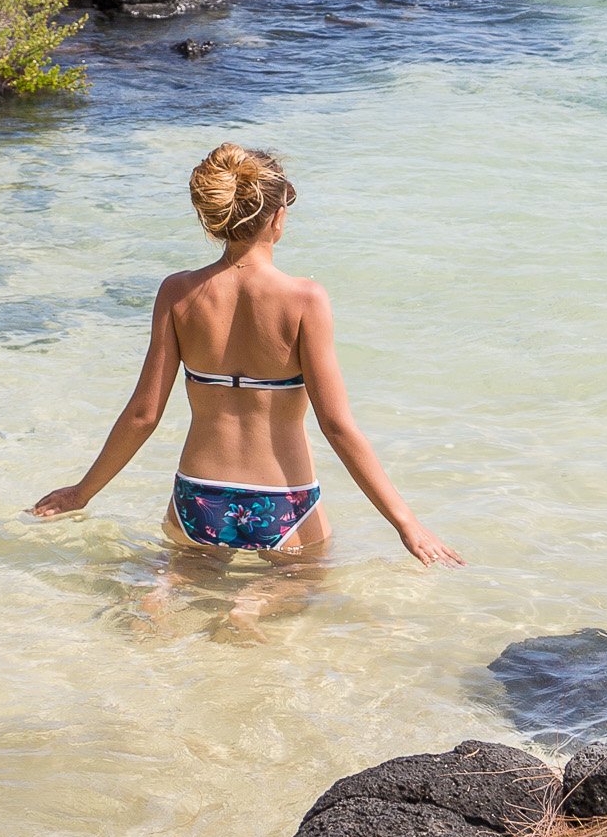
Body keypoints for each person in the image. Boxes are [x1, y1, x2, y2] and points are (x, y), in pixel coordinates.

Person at [28, 142, 462, 563]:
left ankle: (161, 598)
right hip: (282, 498)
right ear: (277, 218)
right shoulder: (305, 299)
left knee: (183, 580)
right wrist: (406, 522)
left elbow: (144, 414)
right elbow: (337, 426)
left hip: (197, 495)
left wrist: (81, 492)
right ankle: (254, 604)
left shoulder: (177, 292)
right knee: (302, 588)